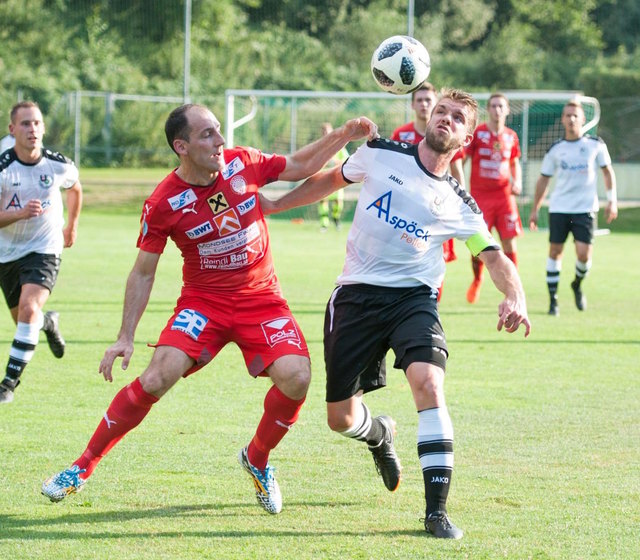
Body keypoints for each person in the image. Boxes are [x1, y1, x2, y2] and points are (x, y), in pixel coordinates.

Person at [41, 103, 378, 514]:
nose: (220, 141)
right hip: (205, 303)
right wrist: (125, 336)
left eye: (218, 131)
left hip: (261, 299)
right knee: (157, 377)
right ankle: (82, 466)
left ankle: (257, 458)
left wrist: (344, 133)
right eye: (207, 135)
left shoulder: (242, 162)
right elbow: (143, 272)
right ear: (181, 146)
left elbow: (299, 163)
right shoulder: (163, 202)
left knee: (297, 378)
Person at [262, 89, 531, 538]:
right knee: (340, 419)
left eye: (457, 117)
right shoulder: (381, 153)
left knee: (428, 382)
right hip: (355, 297)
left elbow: (494, 256)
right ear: (427, 119)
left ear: (466, 138)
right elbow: (329, 180)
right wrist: (274, 204)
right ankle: (379, 434)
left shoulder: (460, 203)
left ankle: (436, 512)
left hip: (413, 300)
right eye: (440, 111)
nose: (445, 118)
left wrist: (515, 295)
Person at [0, 101, 82, 404]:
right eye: (25, 124)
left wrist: (71, 226)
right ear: (12, 130)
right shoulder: (3, 167)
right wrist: (20, 213)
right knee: (25, 320)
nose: (32, 129)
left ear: (43, 128)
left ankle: (8, 383)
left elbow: (75, 188)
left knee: (28, 309)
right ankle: (48, 323)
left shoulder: (58, 164)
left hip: (45, 248)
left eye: (36, 123)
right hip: (6, 254)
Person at [529, 99, 617, 315]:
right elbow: (543, 180)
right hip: (559, 208)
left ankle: (576, 284)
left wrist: (612, 200)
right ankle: (553, 301)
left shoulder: (595, 145)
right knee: (555, 251)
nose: (571, 119)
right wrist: (535, 208)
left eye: (575, 115)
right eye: (567, 115)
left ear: (583, 119)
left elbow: (607, 172)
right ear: (562, 120)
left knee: (584, 255)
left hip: (585, 209)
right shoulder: (556, 149)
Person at [390, 82, 465, 297]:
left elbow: (457, 172)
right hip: (407, 212)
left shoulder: (448, 135)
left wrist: (459, 206)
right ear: (413, 105)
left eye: (428, 100)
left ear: (435, 106)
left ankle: (431, 310)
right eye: (419, 100)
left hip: (438, 210)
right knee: (405, 261)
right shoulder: (401, 134)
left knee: (437, 262)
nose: (424, 104)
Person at [463, 93, 523, 304]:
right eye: (494, 106)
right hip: (480, 197)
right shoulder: (478, 134)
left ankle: (512, 289)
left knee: (510, 245)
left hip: (505, 197)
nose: (497, 110)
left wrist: (518, 181)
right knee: (478, 245)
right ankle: (477, 279)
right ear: (488, 110)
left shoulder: (511, 136)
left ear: (507, 110)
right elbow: (463, 159)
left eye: (501, 106)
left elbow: (514, 162)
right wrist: (458, 185)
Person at [318, 122, 349, 231]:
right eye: (324, 132)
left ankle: (336, 219)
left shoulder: (338, 145)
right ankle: (324, 224)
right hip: (323, 178)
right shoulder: (319, 146)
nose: (326, 133)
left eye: (328, 131)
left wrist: (335, 162)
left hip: (336, 177)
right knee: (323, 201)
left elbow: (346, 160)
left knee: (338, 202)